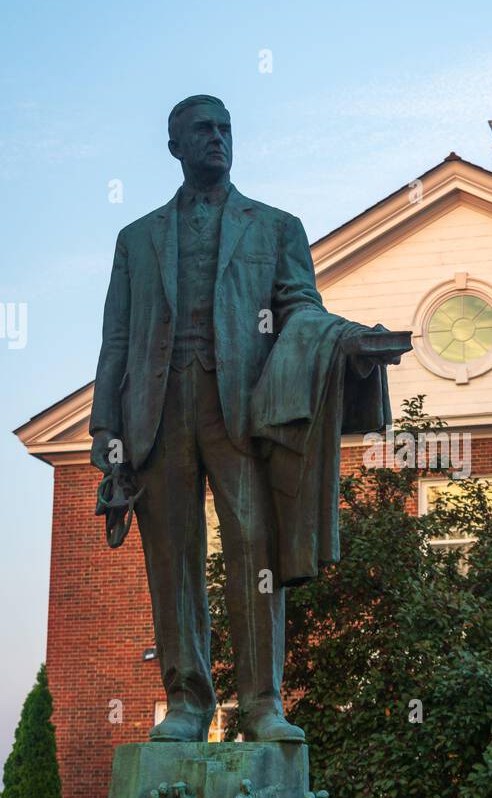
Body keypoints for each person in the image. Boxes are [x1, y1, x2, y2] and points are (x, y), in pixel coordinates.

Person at [89, 96, 406, 743]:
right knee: (171, 563)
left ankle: (261, 704)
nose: (217, 140)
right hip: (156, 416)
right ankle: (186, 702)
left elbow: (300, 309)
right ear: (175, 145)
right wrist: (105, 433)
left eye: (225, 130)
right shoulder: (137, 240)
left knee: (254, 549)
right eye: (203, 131)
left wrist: (344, 339)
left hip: (240, 411)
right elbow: (116, 342)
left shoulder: (274, 228)